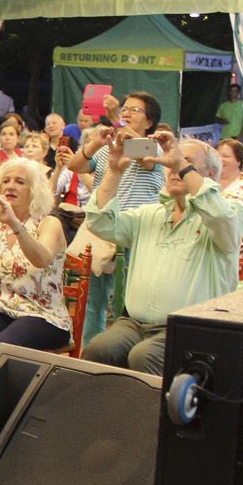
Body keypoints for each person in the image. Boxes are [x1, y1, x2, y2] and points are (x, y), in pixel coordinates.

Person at [80, 134, 243, 376]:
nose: (172, 166)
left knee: (144, 356)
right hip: (135, 324)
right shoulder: (150, 213)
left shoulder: (231, 210)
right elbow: (100, 222)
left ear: (209, 175)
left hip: (193, 328)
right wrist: (114, 171)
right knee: (98, 349)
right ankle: (107, 413)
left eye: (183, 161)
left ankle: (149, 415)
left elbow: (221, 217)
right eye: (170, 161)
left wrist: (180, 163)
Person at [64, 91, 166, 343]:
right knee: (93, 302)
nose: (127, 113)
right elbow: (75, 165)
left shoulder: (155, 147)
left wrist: (117, 122)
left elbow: (144, 157)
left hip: (136, 235)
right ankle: (91, 354)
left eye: (135, 110)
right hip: (102, 232)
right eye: (125, 109)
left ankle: (123, 353)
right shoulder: (109, 147)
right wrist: (96, 142)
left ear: (150, 121)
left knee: (129, 304)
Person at [0, 157, 72, 357]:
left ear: (34, 191)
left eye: (20, 182)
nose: (10, 186)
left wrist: (15, 224)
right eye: (6, 181)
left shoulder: (48, 224)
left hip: (43, 315)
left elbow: (41, 259)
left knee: (4, 346)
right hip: (0, 308)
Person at [215, 137, 243, 217]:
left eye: (225, 156)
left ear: (239, 161)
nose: (219, 159)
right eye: (216, 156)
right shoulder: (205, 181)